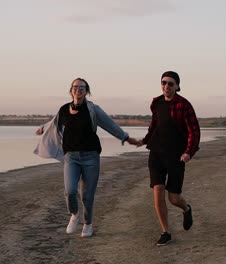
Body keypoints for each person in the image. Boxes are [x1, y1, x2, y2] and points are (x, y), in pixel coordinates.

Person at [34, 77, 138, 237]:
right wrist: (42, 127)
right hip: (71, 157)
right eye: (75, 87)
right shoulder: (63, 109)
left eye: (82, 87)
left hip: (91, 157)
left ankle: (88, 224)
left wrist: (125, 137)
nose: (78, 89)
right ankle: (74, 214)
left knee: (87, 196)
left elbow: (109, 124)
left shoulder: (92, 109)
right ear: (71, 90)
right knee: (69, 191)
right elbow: (54, 123)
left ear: (86, 91)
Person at [136, 71, 200, 246]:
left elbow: (193, 132)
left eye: (170, 84)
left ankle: (186, 209)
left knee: (174, 198)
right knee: (158, 191)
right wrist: (144, 141)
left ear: (177, 86)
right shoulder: (156, 103)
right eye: (163, 82)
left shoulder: (184, 105)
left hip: (176, 156)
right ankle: (166, 232)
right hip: (156, 153)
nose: (166, 86)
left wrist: (188, 152)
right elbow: (154, 125)